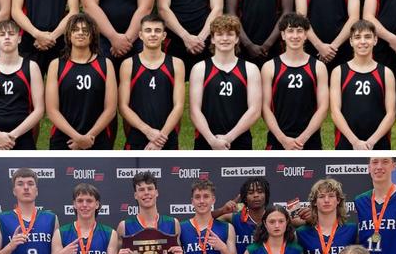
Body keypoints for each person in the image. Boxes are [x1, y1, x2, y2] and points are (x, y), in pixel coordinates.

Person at [45, 12, 117, 150]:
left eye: (85, 30)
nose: (80, 33)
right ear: (68, 35)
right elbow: (52, 110)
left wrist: (89, 137)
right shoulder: (56, 65)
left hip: (97, 138)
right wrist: (77, 138)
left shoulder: (105, 64)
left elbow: (111, 109)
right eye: (75, 30)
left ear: (93, 35)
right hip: (64, 139)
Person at [190, 14, 262, 150]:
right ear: (212, 39)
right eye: (219, 34)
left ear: (236, 39)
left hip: (240, 139)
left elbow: (255, 110)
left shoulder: (250, 69)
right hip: (206, 140)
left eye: (229, 34)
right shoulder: (200, 68)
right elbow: (194, 110)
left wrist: (228, 137)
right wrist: (212, 140)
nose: (224, 39)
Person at [0, 20, 45, 150]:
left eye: (11, 34)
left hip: (22, 137)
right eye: (2, 34)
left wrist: (13, 135)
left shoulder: (31, 67)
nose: (6, 37)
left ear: (19, 39)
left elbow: (39, 110)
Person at [261, 13, 329, 150]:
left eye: (299, 31)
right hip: (278, 139)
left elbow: (323, 108)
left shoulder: (318, 67)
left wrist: (302, 139)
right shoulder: (269, 67)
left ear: (305, 35)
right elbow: (265, 108)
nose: (295, 36)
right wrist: (283, 139)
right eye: (290, 31)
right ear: (283, 35)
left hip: (310, 139)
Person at [118, 13, 185, 149]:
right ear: (141, 35)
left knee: (169, 171)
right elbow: (123, 106)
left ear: (164, 36)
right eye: (148, 30)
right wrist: (148, 131)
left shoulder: (176, 64)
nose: (153, 34)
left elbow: (179, 106)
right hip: (138, 135)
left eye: (157, 31)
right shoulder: (128, 64)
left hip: (167, 137)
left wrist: (160, 138)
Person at [330, 20, 396, 150]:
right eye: (357, 37)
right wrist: (354, 141)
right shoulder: (339, 72)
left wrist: (371, 141)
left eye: (367, 37)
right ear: (350, 41)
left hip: (378, 141)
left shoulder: (386, 73)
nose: (363, 42)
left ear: (375, 40)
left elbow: (391, 113)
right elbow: (335, 111)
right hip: (346, 140)